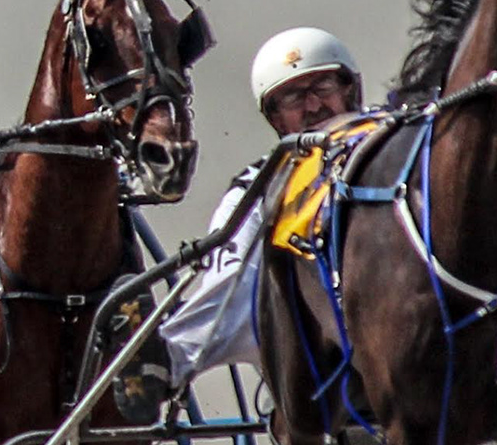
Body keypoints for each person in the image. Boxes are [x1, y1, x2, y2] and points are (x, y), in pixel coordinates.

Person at [120, 28, 366, 408]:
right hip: (322, 376)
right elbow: (232, 283)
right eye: (293, 97)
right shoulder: (261, 187)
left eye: (323, 86)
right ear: (276, 118)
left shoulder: (406, 148)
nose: (313, 105)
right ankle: (170, 360)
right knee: (246, 282)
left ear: (349, 90)